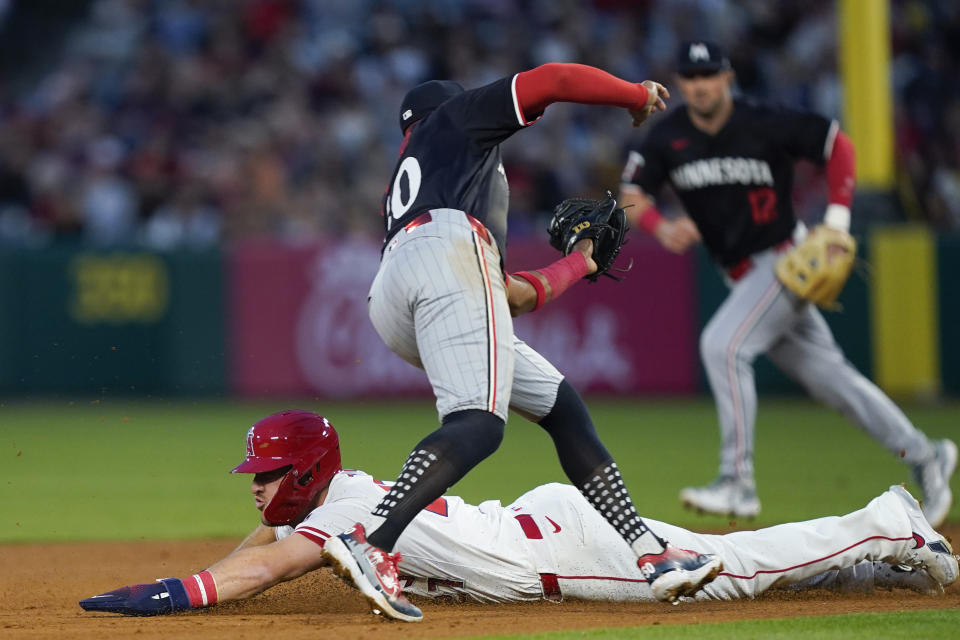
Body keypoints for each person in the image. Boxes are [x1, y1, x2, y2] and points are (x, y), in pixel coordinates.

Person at [319, 63, 725, 622]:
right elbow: (554, 79)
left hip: (396, 290)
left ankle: (650, 553)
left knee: (561, 406)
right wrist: (632, 95)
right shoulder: (457, 121)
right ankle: (373, 541)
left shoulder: (424, 177)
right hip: (445, 256)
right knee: (478, 423)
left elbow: (506, 296)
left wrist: (579, 264)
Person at [78, 410, 959, 618]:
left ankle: (885, 521)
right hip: (534, 522)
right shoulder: (334, 500)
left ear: (305, 473)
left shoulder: (339, 513)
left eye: (268, 474)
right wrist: (240, 543)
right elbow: (266, 537)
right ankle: (874, 561)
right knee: (719, 557)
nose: (256, 487)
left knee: (726, 577)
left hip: (555, 551)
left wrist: (164, 595)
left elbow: (263, 565)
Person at [617, 41, 957, 523]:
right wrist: (660, 226)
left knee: (723, 345)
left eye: (709, 74)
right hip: (740, 276)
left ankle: (738, 481)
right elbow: (631, 193)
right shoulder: (667, 137)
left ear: (728, 77)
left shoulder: (764, 121)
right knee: (835, 382)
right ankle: (926, 454)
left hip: (785, 261)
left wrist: (837, 222)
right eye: (691, 77)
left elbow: (837, 144)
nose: (700, 85)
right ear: (681, 82)